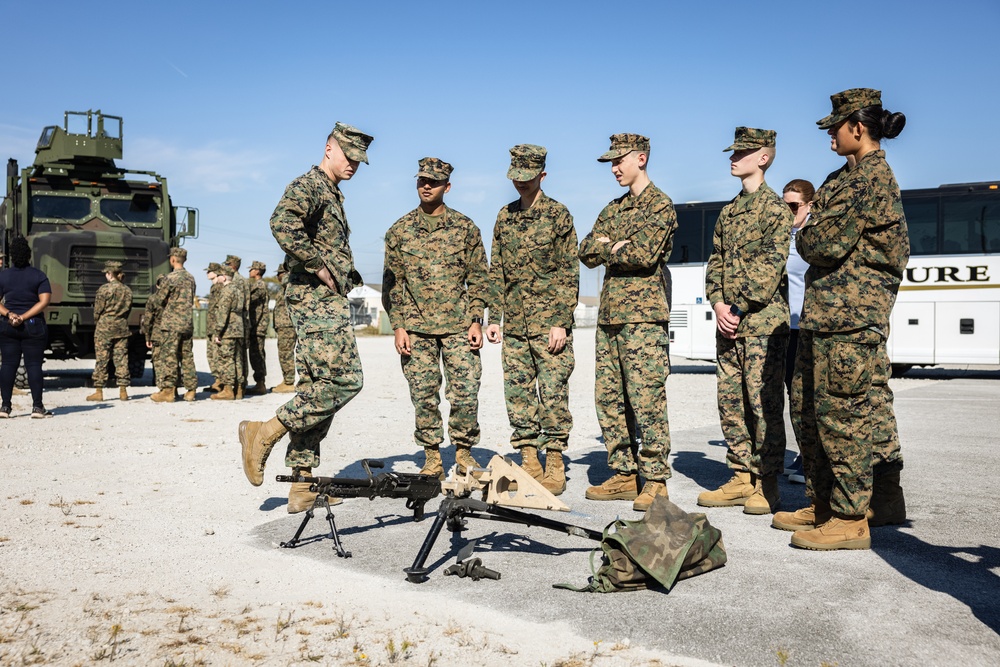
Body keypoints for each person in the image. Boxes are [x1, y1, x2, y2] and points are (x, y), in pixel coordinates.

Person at [773, 88, 909, 550]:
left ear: (858, 127)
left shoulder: (868, 179)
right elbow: (818, 233)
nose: (830, 134)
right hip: (827, 315)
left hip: (849, 317)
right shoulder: (841, 177)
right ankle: (830, 503)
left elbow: (821, 243)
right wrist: (812, 229)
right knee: (813, 411)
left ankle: (851, 518)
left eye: (835, 126)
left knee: (842, 416)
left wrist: (808, 232)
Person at [239, 122, 373, 514]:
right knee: (345, 380)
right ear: (329, 147)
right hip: (313, 298)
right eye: (349, 156)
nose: (354, 165)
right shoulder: (310, 184)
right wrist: (318, 265)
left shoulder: (331, 192)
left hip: (322, 299)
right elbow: (282, 221)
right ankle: (264, 431)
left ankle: (301, 485)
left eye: (359, 161)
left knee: (317, 386)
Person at [578, 133, 676, 512]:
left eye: (620, 161)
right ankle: (622, 472)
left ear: (642, 158)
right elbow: (586, 251)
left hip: (644, 318)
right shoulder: (613, 208)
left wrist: (613, 246)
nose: (615, 168)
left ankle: (654, 479)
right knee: (610, 399)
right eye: (611, 163)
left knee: (646, 398)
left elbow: (644, 254)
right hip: (611, 317)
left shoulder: (660, 206)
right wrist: (610, 246)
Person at [697, 127, 792, 516]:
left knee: (763, 404)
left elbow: (770, 268)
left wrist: (736, 309)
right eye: (732, 152)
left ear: (763, 158)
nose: (733, 158)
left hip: (762, 326)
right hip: (729, 325)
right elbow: (715, 262)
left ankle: (767, 483)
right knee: (731, 401)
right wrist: (718, 303)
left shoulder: (775, 210)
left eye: (742, 152)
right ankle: (740, 476)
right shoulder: (729, 212)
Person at [382, 157, 490, 480]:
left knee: (466, 391)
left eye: (433, 181)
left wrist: (476, 319)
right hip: (417, 330)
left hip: (459, 325)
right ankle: (431, 457)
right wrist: (398, 326)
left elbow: (479, 278)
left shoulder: (466, 228)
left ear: (447, 186)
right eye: (421, 180)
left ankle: (464, 452)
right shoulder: (399, 231)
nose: (426, 185)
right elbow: (393, 285)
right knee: (423, 395)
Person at [486, 144, 578, 495]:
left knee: (553, 392)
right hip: (516, 327)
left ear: (542, 175)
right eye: (515, 178)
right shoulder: (504, 216)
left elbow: (569, 272)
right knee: (518, 393)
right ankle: (529, 458)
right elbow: (498, 272)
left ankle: (555, 461)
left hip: (547, 324)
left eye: (527, 178)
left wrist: (561, 320)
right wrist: (494, 316)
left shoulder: (558, 215)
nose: (520, 184)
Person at [781, 179, 815, 484]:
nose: (788, 211)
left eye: (793, 206)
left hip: (806, 325)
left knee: (807, 396)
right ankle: (805, 454)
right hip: (784, 327)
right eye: (785, 205)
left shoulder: (814, 235)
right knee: (793, 395)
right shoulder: (782, 235)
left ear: (809, 205)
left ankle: (812, 459)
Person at [0, 236, 53, 418]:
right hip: (33, 326)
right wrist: (24, 317)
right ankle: (37, 408)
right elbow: (44, 301)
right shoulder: (38, 275)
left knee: (8, 365)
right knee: (34, 365)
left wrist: (10, 314)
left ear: (12, 256)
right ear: (29, 254)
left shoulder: (3, 275)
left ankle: (5, 407)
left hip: (8, 326)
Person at [146, 247, 197, 403]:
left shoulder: (170, 278)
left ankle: (168, 391)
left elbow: (159, 300)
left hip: (171, 323)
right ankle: (191, 390)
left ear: (172, 260)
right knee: (187, 356)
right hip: (187, 322)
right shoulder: (191, 278)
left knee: (170, 356)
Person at [87, 260, 134, 402]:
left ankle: (99, 391)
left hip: (104, 327)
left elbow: (97, 310)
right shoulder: (127, 290)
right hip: (121, 326)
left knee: (102, 359)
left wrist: (98, 321)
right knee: (121, 358)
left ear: (109, 274)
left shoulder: (104, 289)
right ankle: (123, 391)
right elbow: (128, 310)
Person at [210, 265, 244, 401]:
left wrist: (218, 332)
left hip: (228, 330)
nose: (217, 277)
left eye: (219, 275)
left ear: (224, 277)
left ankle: (228, 390)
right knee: (237, 360)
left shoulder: (226, 291)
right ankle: (239, 389)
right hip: (239, 328)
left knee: (226, 359)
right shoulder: (238, 289)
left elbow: (223, 313)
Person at [225, 254, 250, 399]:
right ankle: (240, 388)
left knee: (235, 356)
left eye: (228, 265)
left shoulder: (234, 281)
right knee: (240, 357)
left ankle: (237, 386)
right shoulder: (244, 281)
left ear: (233, 266)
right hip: (242, 322)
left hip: (234, 322)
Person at [271, 263, 297, 393]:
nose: (277, 276)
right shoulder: (283, 288)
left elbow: (288, 278)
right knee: (284, 353)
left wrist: (287, 273)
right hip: (283, 325)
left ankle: (289, 382)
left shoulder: (289, 282)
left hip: (287, 325)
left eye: (279, 273)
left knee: (285, 353)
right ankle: (287, 380)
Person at [245, 260, 269, 395]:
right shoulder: (258, 285)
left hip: (258, 326)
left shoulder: (259, 286)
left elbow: (248, 299)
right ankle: (259, 383)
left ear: (257, 271)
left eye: (252, 269)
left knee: (257, 355)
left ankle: (260, 383)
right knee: (255, 354)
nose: (250, 272)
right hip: (255, 325)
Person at [203, 262, 224, 393]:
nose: (207, 273)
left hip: (216, 326)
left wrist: (218, 329)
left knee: (217, 355)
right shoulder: (214, 287)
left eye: (209, 271)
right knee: (211, 355)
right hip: (212, 327)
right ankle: (217, 380)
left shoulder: (219, 287)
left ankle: (220, 382)